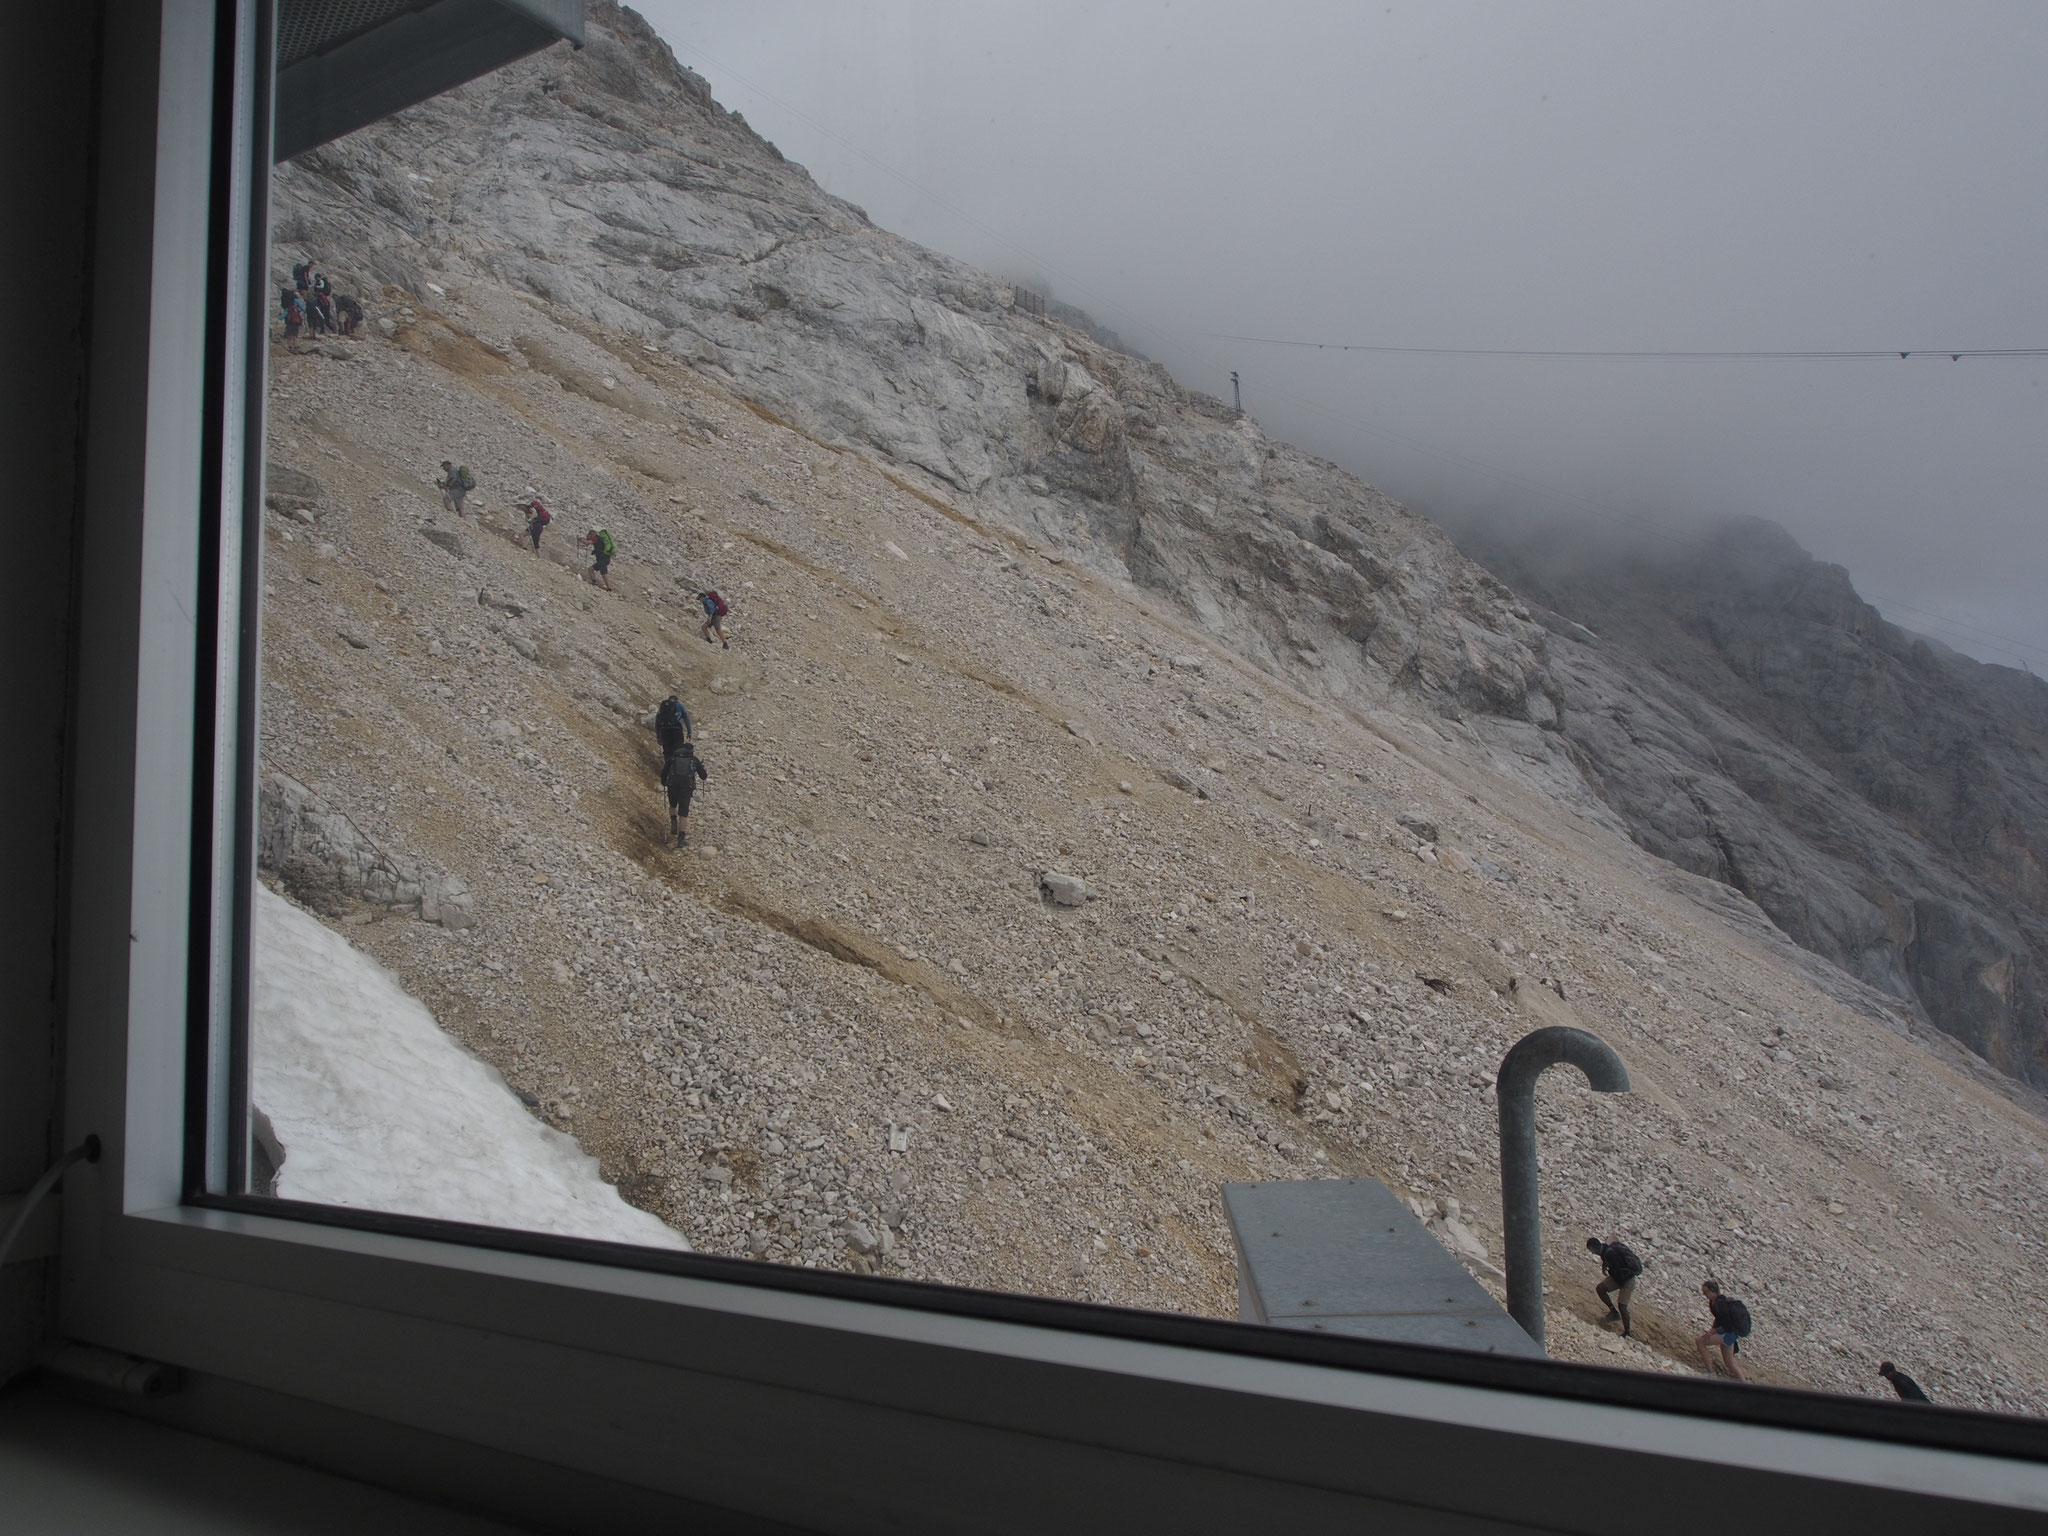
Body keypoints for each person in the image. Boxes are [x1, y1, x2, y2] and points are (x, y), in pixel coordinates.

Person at [1586, 1236, 1643, 1339]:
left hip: (1627, 1280)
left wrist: (1613, 1275)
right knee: (1601, 1288)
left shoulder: (1608, 1253)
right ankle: (1613, 1312)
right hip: (1619, 1277)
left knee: (1622, 1306)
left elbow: (1618, 1267)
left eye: (1591, 1250)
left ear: (1594, 1248)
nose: (1592, 1253)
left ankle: (1627, 1332)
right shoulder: (1606, 1250)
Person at [1696, 1280, 1751, 1381]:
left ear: (1712, 1291)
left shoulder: (1720, 1304)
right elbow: (1718, 1319)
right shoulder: (1714, 1302)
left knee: (1700, 1341)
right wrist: (1712, 1329)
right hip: (1730, 1335)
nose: (1704, 1295)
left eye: (1705, 1292)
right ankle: (1745, 1384)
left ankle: (1710, 1372)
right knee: (1729, 1363)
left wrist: (1713, 1331)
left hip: (1728, 1334)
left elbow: (1727, 1325)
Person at [662, 736, 708, 846]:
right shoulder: (693, 759)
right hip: (686, 788)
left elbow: (664, 772)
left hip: (672, 786)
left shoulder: (673, 758)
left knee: (673, 805)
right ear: (691, 750)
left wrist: (664, 783)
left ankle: (673, 822)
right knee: (683, 812)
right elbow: (703, 776)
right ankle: (681, 838)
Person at [653, 693, 692, 761]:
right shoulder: (679, 705)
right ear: (677, 700)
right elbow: (686, 717)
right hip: (677, 731)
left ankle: (667, 768)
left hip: (664, 731)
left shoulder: (663, 706)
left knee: (667, 751)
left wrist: (658, 736)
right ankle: (677, 767)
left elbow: (658, 720)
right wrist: (689, 731)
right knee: (678, 750)